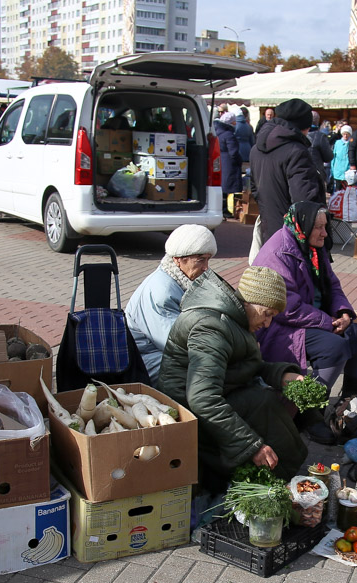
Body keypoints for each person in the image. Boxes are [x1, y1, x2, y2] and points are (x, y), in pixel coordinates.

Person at [157, 266, 307, 492]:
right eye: (267, 313)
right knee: (262, 406)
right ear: (249, 302)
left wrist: (282, 375)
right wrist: (251, 446)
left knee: (264, 402)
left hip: (213, 395)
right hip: (187, 411)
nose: (267, 323)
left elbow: (243, 364)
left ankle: (283, 478)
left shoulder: (235, 319)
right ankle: (275, 482)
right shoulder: (212, 328)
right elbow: (203, 399)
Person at [253, 201, 357, 409]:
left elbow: (332, 285)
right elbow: (286, 308)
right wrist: (328, 322)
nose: (324, 233)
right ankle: (311, 410)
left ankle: (351, 405)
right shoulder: (278, 253)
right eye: (318, 227)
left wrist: (343, 312)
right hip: (278, 325)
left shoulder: (313, 248)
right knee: (333, 347)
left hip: (313, 318)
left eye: (325, 226)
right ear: (303, 225)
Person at [125, 225, 218, 383]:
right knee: (207, 370)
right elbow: (176, 344)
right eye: (201, 260)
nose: (206, 267)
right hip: (144, 361)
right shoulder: (163, 292)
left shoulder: (180, 281)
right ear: (178, 259)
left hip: (158, 354)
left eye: (208, 260)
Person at [248, 98, 325, 262]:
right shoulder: (297, 151)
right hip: (293, 237)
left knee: (274, 271)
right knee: (292, 275)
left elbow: (255, 189)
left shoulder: (256, 149)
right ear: (304, 127)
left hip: (270, 228)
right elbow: (304, 201)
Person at [214, 112, 242, 218]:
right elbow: (233, 152)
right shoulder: (229, 135)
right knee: (228, 188)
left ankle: (222, 208)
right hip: (229, 163)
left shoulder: (217, 132)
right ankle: (225, 210)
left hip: (220, 161)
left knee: (222, 186)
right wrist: (239, 160)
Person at [308, 111, 334, 194]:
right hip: (315, 173)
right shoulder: (320, 136)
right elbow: (328, 157)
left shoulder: (296, 133)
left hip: (298, 172)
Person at [331, 124, 353, 191]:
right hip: (338, 170)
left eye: (347, 134)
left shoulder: (351, 143)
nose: (345, 136)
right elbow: (334, 156)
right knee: (337, 190)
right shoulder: (337, 143)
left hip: (348, 171)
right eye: (344, 134)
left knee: (346, 191)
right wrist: (333, 169)